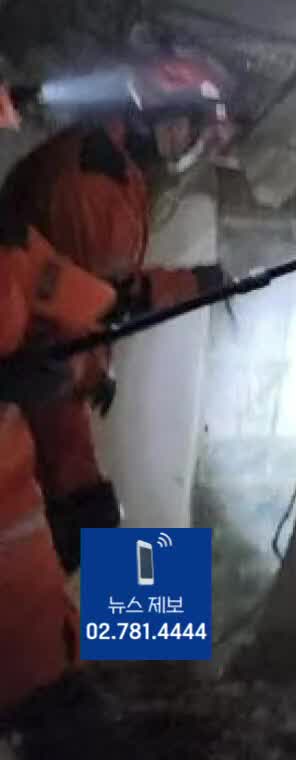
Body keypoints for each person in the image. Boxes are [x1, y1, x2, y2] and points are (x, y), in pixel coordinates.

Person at [0, 72, 233, 570]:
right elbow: (105, 302)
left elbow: (86, 296)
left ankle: (127, 630)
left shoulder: (106, 165)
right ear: (156, 120)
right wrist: (195, 284)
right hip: (44, 385)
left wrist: (94, 370)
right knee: (94, 524)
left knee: (95, 521)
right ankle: (134, 637)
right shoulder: (96, 185)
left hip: (52, 372)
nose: (189, 145)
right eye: (187, 129)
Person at [0, 207, 135, 757]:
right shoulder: (84, 185)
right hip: (48, 464)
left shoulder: (12, 239)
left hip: (39, 475)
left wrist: (86, 368)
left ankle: (152, 647)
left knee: (114, 521)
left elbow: (64, 309)